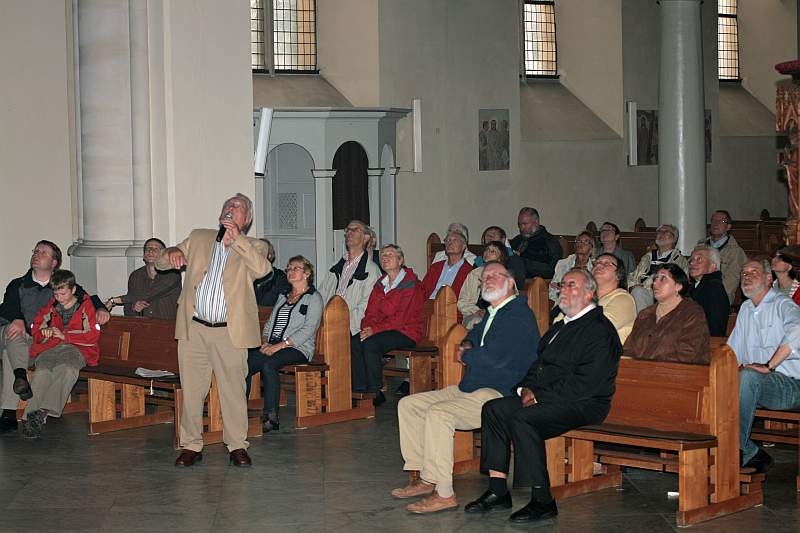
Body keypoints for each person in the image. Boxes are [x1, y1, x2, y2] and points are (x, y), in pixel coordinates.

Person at [466, 268, 621, 523]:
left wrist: (539, 396)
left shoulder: (599, 330)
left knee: (523, 419)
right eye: (562, 285)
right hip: (549, 396)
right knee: (493, 409)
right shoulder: (562, 324)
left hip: (585, 404)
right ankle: (497, 490)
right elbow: (538, 364)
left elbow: (586, 383)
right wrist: (524, 389)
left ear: (589, 293)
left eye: (572, 285)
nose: (563, 289)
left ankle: (542, 500)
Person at [392, 262, 538, 514]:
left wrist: (467, 355)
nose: (487, 280)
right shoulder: (494, 312)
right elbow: (472, 337)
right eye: (485, 277)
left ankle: (445, 493)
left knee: (440, 413)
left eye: (495, 275)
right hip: (473, 387)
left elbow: (496, 358)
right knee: (409, 404)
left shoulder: (518, 315)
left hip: (499, 393)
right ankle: (426, 478)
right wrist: (468, 344)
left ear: (511, 283)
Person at [158, 193, 270, 468]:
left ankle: (237, 446)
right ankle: (191, 445)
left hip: (229, 333)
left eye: (238, 207)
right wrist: (171, 252)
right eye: (228, 205)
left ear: (247, 219)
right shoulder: (199, 237)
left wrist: (238, 240)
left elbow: (262, 270)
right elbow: (161, 262)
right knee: (193, 391)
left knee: (232, 392)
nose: (231, 209)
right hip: (194, 329)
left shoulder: (255, 245)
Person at [0, 240, 109, 433]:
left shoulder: (62, 286)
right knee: (13, 339)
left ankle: (37, 413)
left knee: (61, 368)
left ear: (54, 262)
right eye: (35, 251)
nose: (36, 254)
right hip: (28, 338)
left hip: (60, 344)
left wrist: (100, 307)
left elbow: (87, 301)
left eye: (43, 252)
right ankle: (16, 396)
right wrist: (17, 320)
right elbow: (8, 308)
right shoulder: (19, 285)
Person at [727, 259, 800, 473]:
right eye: (743, 272)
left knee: (749, 377)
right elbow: (732, 352)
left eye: (754, 272)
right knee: (720, 382)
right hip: (758, 385)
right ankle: (749, 452)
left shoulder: (782, 304)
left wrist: (770, 366)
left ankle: (735, 452)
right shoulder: (746, 309)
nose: (746, 276)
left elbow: (798, 331)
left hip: (791, 385)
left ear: (769, 278)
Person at [20, 270, 100, 439]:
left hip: (76, 348)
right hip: (51, 348)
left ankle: (41, 412)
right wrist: (45, 332)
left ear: (73, 290)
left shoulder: (85, 307)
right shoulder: (51, 307)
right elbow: (36, 330)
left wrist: (66, 336)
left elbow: (93, 335)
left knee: (67, 369)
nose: (59, 298)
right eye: (56, 294)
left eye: (63, 293)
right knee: (42, 372)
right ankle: (30, 416)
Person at [247, 256, 322, 433]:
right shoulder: (283, 297)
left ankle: (271, 416)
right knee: (244, 363)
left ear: (307, 273)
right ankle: (238, 411)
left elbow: (309, 329)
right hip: (273, 345)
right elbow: (269, 323)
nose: (290, 271)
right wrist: (265, 341)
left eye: (295, 268)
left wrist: (280, 345)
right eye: (288, 268)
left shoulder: (313, 298)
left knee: (268, 364)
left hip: (298, 348)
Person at [319, 220, 382, 398]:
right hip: (329, 321)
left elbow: (367, 306)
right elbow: (322, 295)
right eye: (347, 230)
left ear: (366, 237)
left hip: (353, 323)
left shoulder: (371, 270)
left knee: (352, 343)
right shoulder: (336, 267)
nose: (349, 232)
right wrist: (319, 319)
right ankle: (325, 388)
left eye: (355, 230)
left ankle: (358, 391)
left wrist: (341, 324)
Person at [357, 245, 425, 406]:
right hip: (384, 329)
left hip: (407, 331)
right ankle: (360, 388)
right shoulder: (381, 284)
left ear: (400, 260)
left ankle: (375, 391)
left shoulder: (410, 284)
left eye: (390, 255)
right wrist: (367, 327)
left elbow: (401, 318)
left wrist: (374, 330)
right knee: (354, 341)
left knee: (371, 344)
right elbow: (370, 312)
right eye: (382, 256)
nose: (385, 258)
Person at [623, 264, 710, 364]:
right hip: (640, 374)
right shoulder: (645, 314)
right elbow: (628, 349)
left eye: (663, 278)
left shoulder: (692, 313)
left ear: (678, 286)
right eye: (655, 278)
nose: (655, 283)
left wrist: (650, 369)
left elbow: (687, 354)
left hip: (676, 375)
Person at [105, 238, 181, 319]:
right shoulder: (136, 276)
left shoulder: (172, 273)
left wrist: (115, 300)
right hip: (143, 326)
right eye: (148, 248)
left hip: (169, 327)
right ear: (144, 256)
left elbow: (151, 293)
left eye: (156, 249)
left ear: (164, 255)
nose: (151, 251)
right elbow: (128, 309)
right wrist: (134, 308)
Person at [628, 223, 689, 311]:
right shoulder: (647, 257)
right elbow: (633, 276)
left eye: (666, 231)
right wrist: (632, 286)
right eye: (659, 231)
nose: (661, 233)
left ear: (674, 239)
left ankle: (643, 323)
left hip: (660, 296)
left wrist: (643, 286)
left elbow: (681, 283)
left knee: (638, 292)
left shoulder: (679, 260)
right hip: (639, 292)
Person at [458, 242, 510, 331]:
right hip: (475, 314)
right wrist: (476, 311)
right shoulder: (474, 274)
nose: (487, 252)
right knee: (478, 322)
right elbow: (462, 301)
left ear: (500, 258)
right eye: (486, 250)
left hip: (499, 314)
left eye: (492, 251)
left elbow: (511, 301)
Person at [585, 253, 635, 343]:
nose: (599, 265)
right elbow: (558, 325)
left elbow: (598, 330)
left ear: (618, 275)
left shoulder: (623, 299)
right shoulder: (583, 299)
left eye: (607, 263)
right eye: (596, 263)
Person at [700, 210, 747, 303]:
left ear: (728, 227)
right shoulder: (701, 247)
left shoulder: (736, 252)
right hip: (699, 295)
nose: (715, 223)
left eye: (721, 221)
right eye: (713, 220)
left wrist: (708, 294)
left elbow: (730, 283)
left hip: (720, 298)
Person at [688, 245, 730, 337]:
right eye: (691, 259)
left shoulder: (714, 288)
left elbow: (716, 329)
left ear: (712, 266)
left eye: (699, 259)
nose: (692, 263)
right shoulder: (695, 287)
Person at [509, 207, 562, 279]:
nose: (521, 228)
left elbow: (552, 270)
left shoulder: (550, 241)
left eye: (525, 224)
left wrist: (521, 261)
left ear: (536, 222)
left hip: (536, 283)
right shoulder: (517, 240)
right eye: (520, 224)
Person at [421, 229, 473, 301]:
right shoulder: (435, 267)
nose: (450, 243)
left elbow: (466, 301)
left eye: (455, 240)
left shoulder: (469, 271)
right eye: (447, 240)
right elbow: (422, 290)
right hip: (428, 305)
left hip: (451, 308)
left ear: (464, 246)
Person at [549, 231, 595, 301]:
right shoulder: (563, 264)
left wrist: (564, 290)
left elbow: (593, 294)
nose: (581, 244)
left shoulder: (595, 268)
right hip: (562, 305)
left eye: (586, 242)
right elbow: (552, 291)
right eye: (579, 241)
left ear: (591, 249)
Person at [252, 238, 289, 307]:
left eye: (260, 252)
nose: (257, 256)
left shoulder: (280, 277)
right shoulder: (244, 275)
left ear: (269, 255)